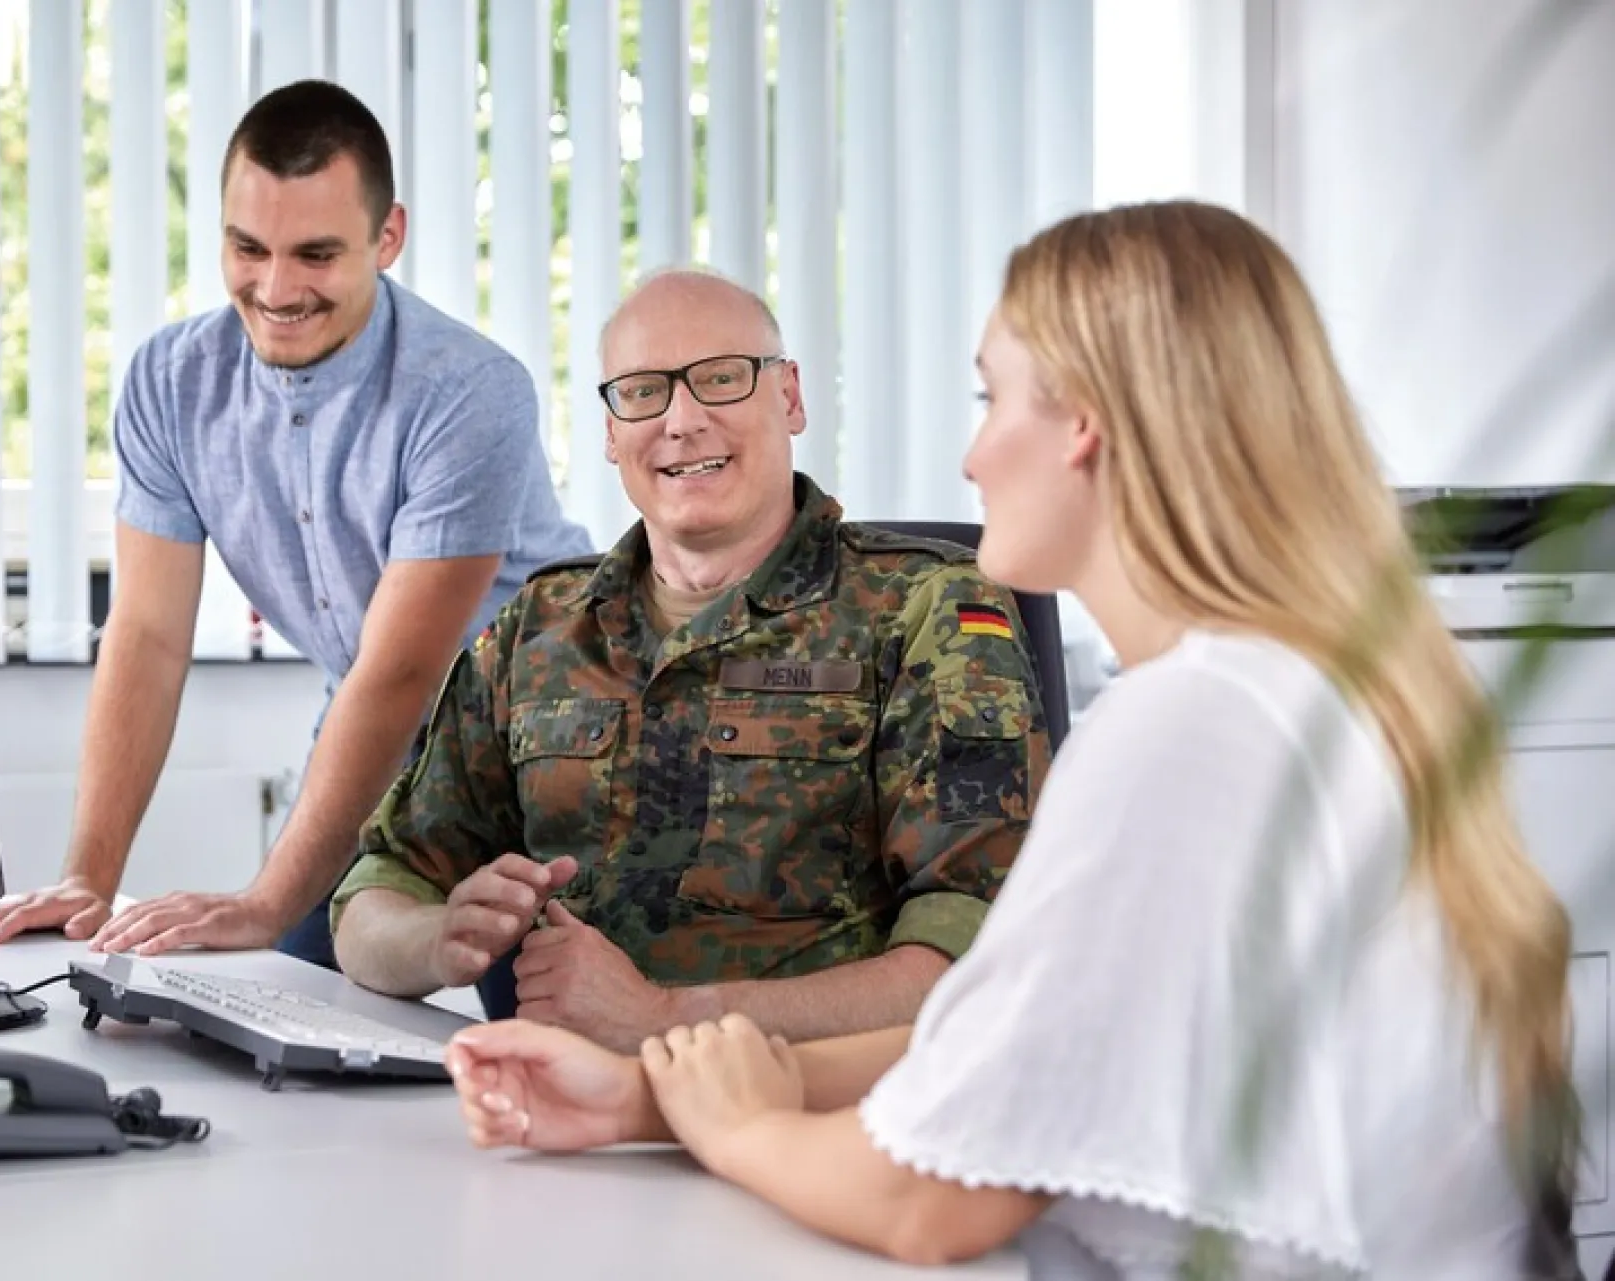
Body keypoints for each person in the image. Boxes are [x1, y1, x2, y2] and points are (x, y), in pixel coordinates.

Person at [441, 202, 1582, 1276]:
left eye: (992, 400)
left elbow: (930, 1201)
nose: (971, 459)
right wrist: (645, 1097)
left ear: (1085, 425)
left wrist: (738, 1130)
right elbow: (996, 1045)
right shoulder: (1300, 688)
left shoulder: (1190, 734)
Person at [330, 268, 1050, 1052]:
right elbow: (373, 896)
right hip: (555, 1103)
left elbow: (978, 955)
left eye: (721, 378)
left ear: (790, 397)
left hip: (807, 1106)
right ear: (611, 433)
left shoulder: (927, 609)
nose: (681, 420)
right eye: (643, 391)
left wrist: (667, 1017)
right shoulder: (537, 630)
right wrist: (437, 940)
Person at [0, 80, 591, 967]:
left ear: (388, 237)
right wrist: (87, 883)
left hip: (546, 737)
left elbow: (401, 671)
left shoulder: (469, 391)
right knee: (295, 990)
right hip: (374, 721)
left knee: (535, 1017)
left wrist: (264, 900)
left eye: (316, 254)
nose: (276, 287)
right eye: (248, 247)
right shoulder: (171, 384)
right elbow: (147, 637)